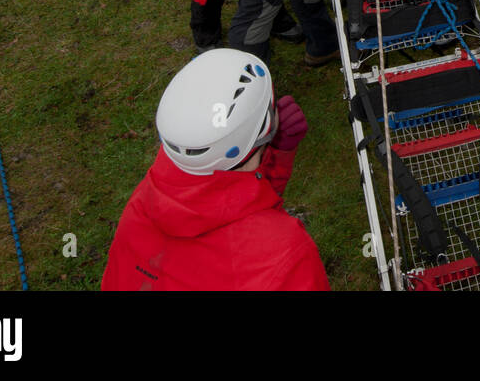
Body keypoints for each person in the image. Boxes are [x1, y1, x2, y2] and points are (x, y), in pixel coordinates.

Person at [101, 48, 329, 290]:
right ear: (268, 127)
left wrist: (277, 156)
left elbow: (230, 205)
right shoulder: (287, 254)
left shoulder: (144, 205)